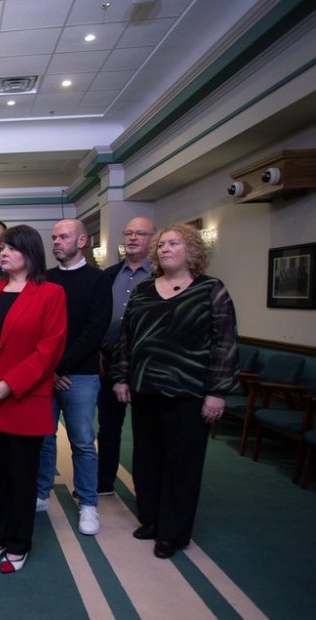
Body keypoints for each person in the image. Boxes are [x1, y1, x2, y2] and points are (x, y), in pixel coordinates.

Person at [111, 222, 238, 559]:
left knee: (181, 465)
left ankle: (174, 532)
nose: (165, 249)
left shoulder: (211, 289)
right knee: (147, 459)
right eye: (162, 245)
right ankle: (150, 519)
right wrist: (122, 377)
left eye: (174, 244)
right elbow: (126, 338)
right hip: (146, 389)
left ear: (192, 251)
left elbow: (225, 344)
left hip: (189, 392)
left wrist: (217, 392)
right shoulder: (144, 290)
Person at [0, 225, 66, 574]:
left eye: (11, 248)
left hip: (22, 401)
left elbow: (48, 350)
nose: (3, 252)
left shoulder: (51, 294)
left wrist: (9, 384)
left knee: (21, 479)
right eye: (2, 247)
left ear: (30, 253)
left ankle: (19, 544)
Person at [36, 220, 112, 537]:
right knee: (43, 437)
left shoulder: (98, 280)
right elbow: (37, 329)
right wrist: (50, 370)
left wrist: (61, 367)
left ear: (81, 240)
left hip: (80, 375)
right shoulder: (45, 279)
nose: (56, 242)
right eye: (53, 237)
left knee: (82, 441)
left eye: (63, 236)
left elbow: (96, 330)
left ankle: (89, 504)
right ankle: (40, 495)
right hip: (47, 374)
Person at [97, 217, 155, 494]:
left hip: (148, 365)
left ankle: (148, 490)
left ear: (152, 240)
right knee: (108, 427)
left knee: (147, 433)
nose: (132, 238)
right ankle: (104, 482)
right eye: (129, 233)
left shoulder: (160, 276)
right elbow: (95, 318)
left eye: (140, 234)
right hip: (108, 360)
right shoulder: (108, 275)